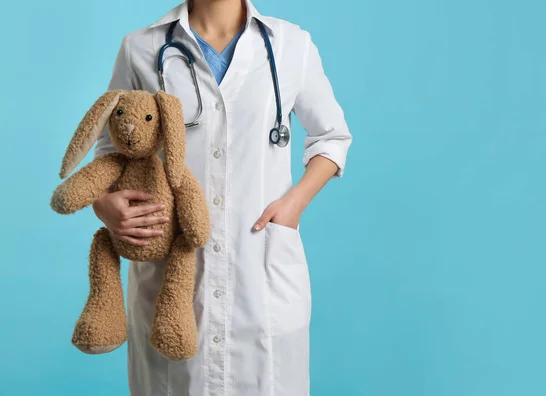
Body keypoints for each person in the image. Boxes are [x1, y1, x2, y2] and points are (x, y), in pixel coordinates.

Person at [91, 0, 352, 395]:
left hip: (260, 267)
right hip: (170, 275)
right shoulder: (141, 48)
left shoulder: (291, 44)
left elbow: (331, 138)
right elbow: (109, 147)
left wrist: (294, 204)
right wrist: (104, 205)